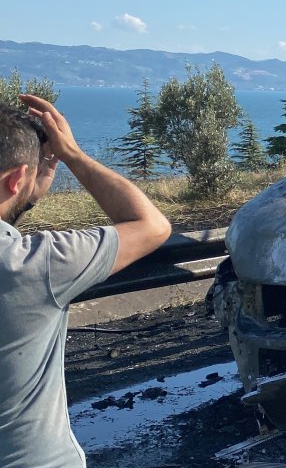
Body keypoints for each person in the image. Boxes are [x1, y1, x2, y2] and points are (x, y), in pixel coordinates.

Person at [0, 95, 171, 467]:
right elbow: (152, 226)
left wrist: (21, 201)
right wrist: (74, 156)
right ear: (15, 180)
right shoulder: (34, 264)